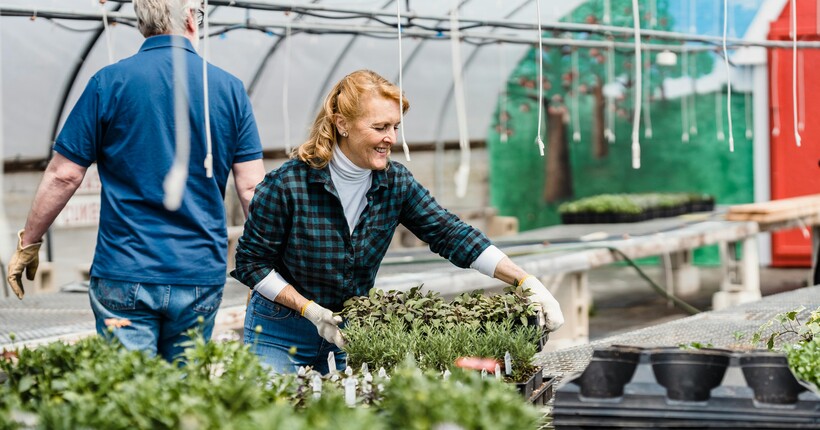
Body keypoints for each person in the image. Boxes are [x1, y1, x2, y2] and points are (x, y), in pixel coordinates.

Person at [232, 69, 563, 374]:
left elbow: (451, 234)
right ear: (341, 124)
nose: (391, 138)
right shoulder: (288, 184)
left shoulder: (395, 183)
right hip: (281, 328)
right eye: (379, 127)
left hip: (351, 329)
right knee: (274, 412)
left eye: (395, 127)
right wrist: (309, 310)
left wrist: (524, 280)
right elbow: (251, 264)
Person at [5, 0, 265, 362]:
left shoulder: (108, 83)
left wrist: (29, 242)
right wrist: (269, 263)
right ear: (190, 18)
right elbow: (252, 189)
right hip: (198, 273)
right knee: (183, 399)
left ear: (142, 23)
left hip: (126, 270)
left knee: (132, 394)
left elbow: (64, 174)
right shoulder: (228, 89)